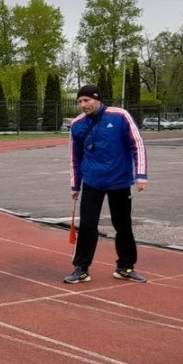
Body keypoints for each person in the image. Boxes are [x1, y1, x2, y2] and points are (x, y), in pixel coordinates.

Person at [65, 85, 148, 284]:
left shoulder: (120, 116)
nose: (83, 105)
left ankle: (125, 267)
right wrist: (75, 185)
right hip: (93, 182)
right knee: (87, 225)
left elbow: (137, 144)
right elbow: (75, 158)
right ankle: (81, 269)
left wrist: (141, 174)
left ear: (98, 99)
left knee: (123, 225)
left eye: (87, 100)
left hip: (119, 181)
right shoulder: (77, 125)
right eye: (80, 102)